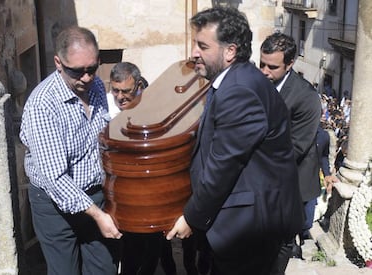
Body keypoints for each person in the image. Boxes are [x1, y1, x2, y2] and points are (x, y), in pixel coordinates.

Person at [166, 7, 304, 275]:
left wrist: (192, 217)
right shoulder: (236, 81)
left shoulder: (239, 90)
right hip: (245, 224)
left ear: (229, 51)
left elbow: (223, 166)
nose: (194, 52)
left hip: (250, 230)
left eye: (203, 45)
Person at [20, 26, 122, 275]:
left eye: (92, 69)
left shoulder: (95, 85)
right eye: (77, 71)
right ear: (58, 63)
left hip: (96, 196)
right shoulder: (42, 105)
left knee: (104, 269)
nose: (86, 78)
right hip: (54, 207)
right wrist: (98, 216)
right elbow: (55, 178)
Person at [260, 32, 322, 272]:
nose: (264, 71)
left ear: (290, 64)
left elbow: (296, 147)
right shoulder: (261, 81)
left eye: (272, 67)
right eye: (261, 64)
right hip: (263, 180)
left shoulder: (306, 97)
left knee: (282, 243)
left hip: (291, 184)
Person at [107, 62, 164, 275]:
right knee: (128, 256)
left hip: (150, 198)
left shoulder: (154, 111)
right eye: (115, 90)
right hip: (119, 198)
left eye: (126, 91)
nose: (120, 97)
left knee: (151, 254)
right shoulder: (106, 108)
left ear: (138, 85)